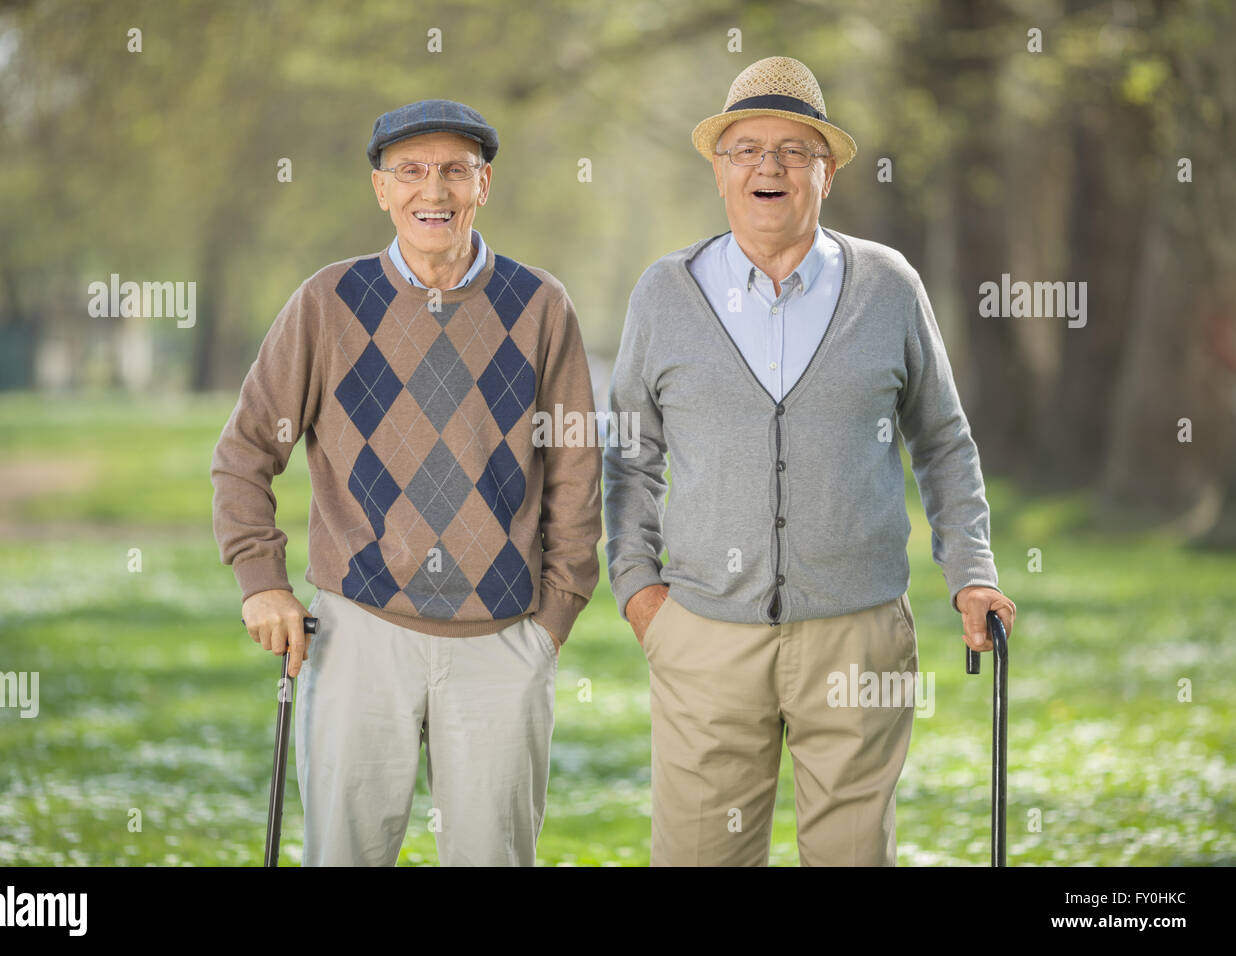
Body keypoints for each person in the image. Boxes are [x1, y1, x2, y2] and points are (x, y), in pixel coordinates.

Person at [603, 57, 1017, 866]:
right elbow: (629, 454)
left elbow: (941, 440)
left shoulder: (888, 286)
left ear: (825, 173)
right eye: (747, 148)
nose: (769, 166)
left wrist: (971, 570)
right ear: (721, 171)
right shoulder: (664, 293)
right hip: (704, 635)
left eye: (795, 150)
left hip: (860, 634)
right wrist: (638, 592)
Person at [211, 99, 602, 866]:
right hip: (358, 631)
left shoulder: (540, 306)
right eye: (412, 172)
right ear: (380, 189)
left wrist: (552, 619)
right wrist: (261, 581)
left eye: (455, 170)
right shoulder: (327, 303)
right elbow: (246, 451)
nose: (435, 191)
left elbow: (577, 474)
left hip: (502, 638)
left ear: (483, 185)